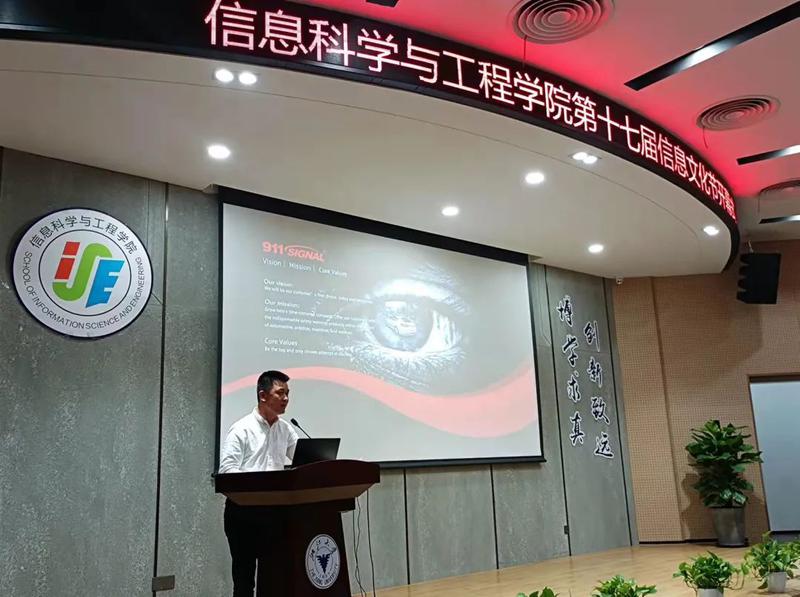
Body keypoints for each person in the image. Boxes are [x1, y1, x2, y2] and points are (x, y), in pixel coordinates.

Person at [218, 370, 299, 597]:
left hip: (275, 513)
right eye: (280, 393)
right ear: (263, 395)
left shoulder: (285, 429)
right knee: (244, 580)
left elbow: (303, 459)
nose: (286, 398)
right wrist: (256, 484)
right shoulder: (242, 429)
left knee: (274, 577)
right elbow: (227, 470)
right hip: (243, 514)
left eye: (288, 393)